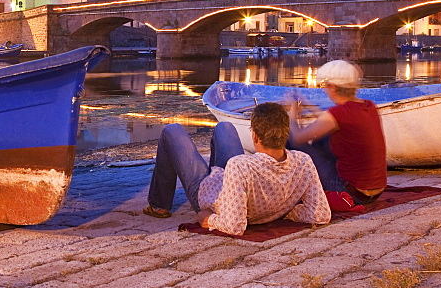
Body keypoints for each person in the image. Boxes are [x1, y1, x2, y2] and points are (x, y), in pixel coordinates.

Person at [143, 102, 330, 236]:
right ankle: (160, 204)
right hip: (230, 181)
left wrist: (208, 219)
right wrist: (287, 211)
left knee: (172, 130)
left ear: (255, 137)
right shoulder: (303, 161)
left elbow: (234, 226)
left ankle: (159, 206)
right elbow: (321, 214)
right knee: (225, 126)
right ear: (285, 133)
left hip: (207, 192)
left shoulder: (240, 165)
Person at [287, 60, 387, 206]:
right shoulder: (369, 106)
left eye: (324, 86)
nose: (324, 90)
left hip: (351, 193)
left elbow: (297, 138)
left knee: (288, 139)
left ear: (333, 87)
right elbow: (331, 120)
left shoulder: (337, 114)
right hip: (375, 192)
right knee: (323, 137)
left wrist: (293, 113)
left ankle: (286, 192)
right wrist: (309, 106)